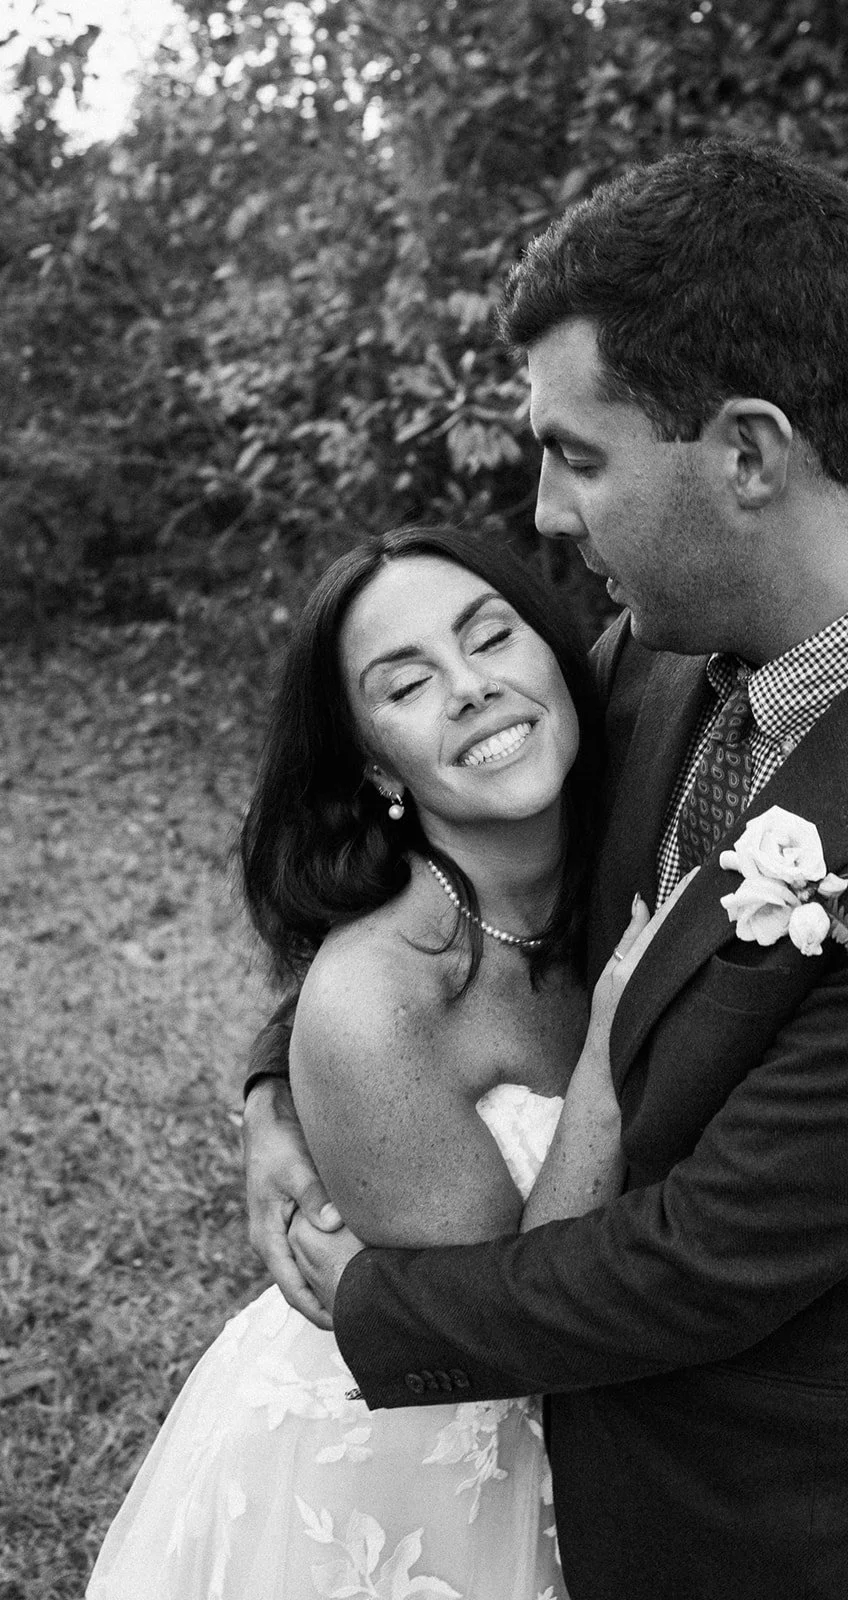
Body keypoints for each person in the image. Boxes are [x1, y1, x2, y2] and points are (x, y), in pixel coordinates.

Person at [244, 139, 848, 1600]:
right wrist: (283, 1084)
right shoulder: (654, 656)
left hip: (790, 1522)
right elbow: (484, 885)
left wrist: (380, 1307)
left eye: (578, 454)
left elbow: (703, 1261)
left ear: (749, 454)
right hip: (567, 1486)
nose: (545, 510)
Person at [88, 524, 685, 1600]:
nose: (471, 688)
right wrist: (608, 1048)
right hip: (412, 1483)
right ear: (376, 765)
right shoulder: (379, 997)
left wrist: (269, 1087)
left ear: (561, 655)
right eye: (408, 684)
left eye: (491, 637)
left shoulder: (637, 790)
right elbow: (516, 1325)